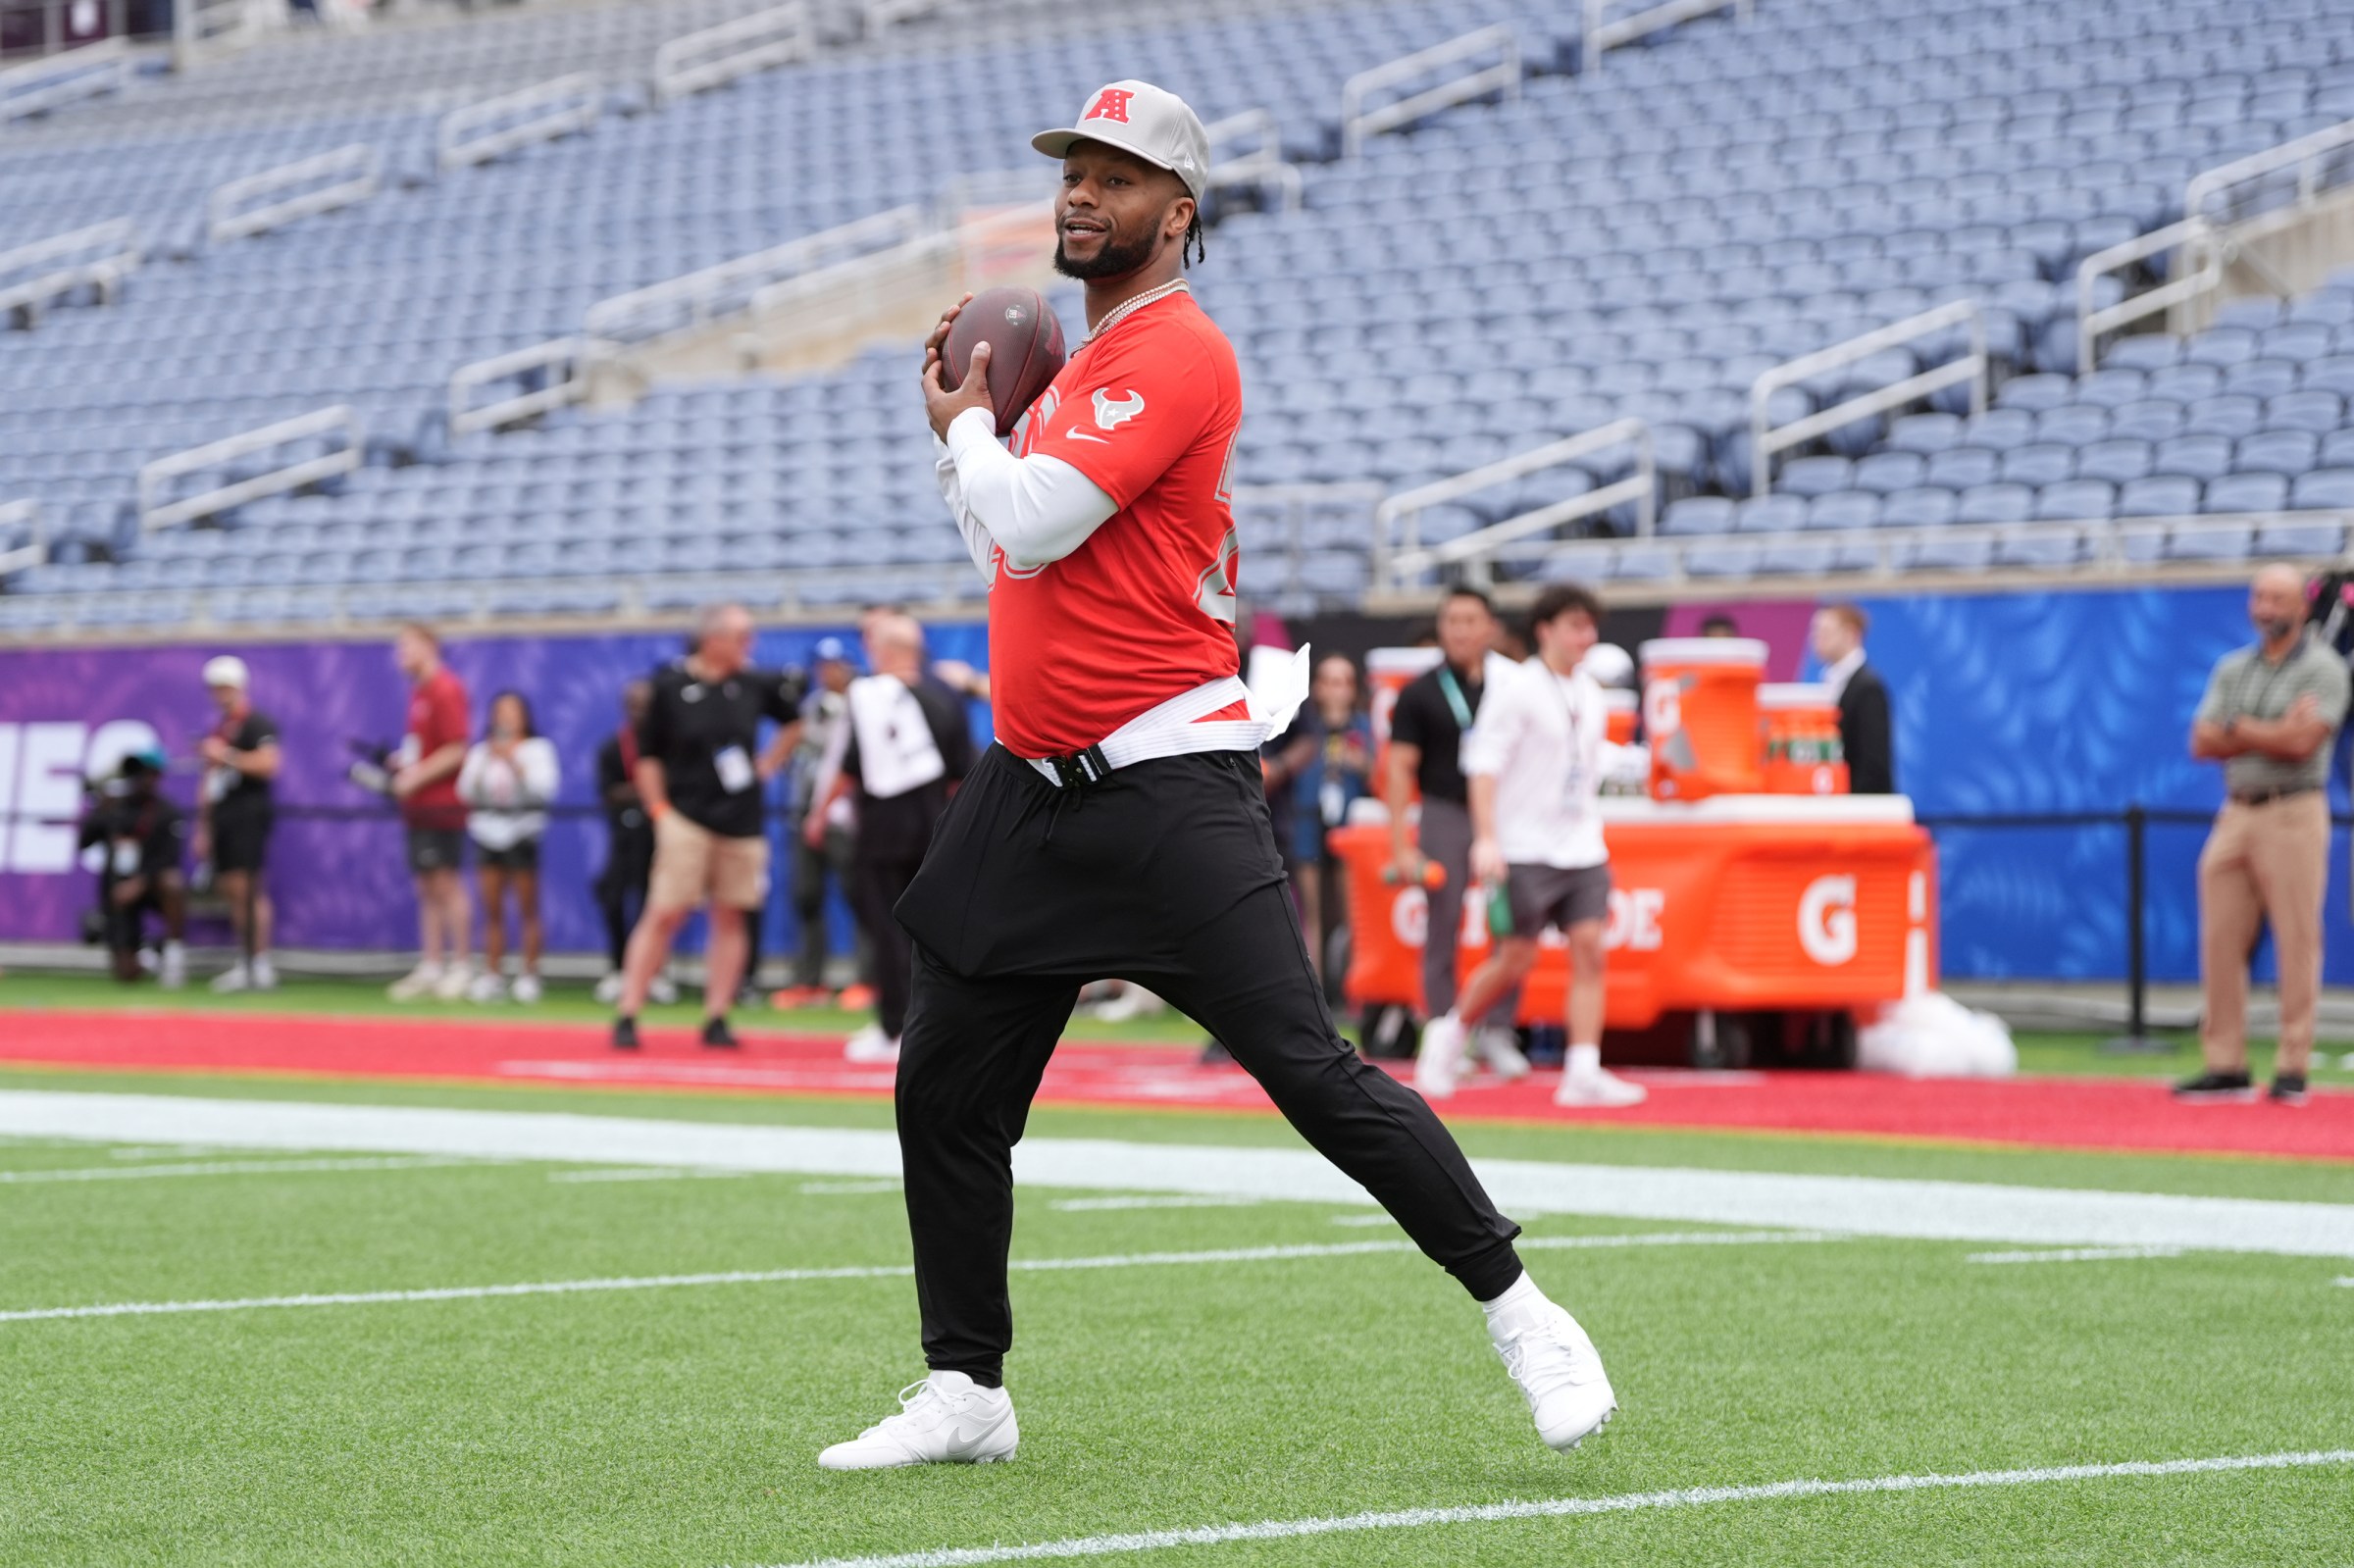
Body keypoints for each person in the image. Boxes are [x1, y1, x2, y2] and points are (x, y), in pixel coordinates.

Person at [817, 81, 1614, 1472]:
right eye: (1074, 171)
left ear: (1177, 212)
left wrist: (970, 430)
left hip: (1164, 782)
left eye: (1116, 177)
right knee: (942, 1087)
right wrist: (969, 440)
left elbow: (1033, 515)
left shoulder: (1179, 349)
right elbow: (1003, 550)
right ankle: (967, 1387)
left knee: (1311, 1071)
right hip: (1028, 786)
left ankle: (1525, 1313)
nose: (1082, 193)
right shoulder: (1081, 368)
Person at [1416, 583, 1651, 1109]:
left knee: (1590, 950)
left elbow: (1585, 762)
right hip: (1524, 845)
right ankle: (1449, 1034)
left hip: (1582, 845)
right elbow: (1483, 765)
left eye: (1590, 627)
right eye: (1575, 626)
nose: (1585, 637)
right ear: (1545, 630)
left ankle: (1583, 1070)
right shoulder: (1517, 688)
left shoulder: (1589, 692)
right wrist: (1487, 839)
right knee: (1515, 958)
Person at [2179, 564, 2351, 1106]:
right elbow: (2201, 741)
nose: (2265, 608)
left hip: (2293, 809)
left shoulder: (2324, 668)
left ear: (2302, 606)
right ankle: (2225, 1064)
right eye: (2259, 597)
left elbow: (2303, 744)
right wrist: (2269, 729)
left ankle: (2292, 1066)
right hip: (2236, 811)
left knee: (2297, 938)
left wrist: (2237, 727)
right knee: (2220, 938)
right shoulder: (2233, 667)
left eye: (2277, 599)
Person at [612, 603, 803, 1050]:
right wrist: (659, 810)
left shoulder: (753, 683)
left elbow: (795, 723)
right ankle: (629, 1010)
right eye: (741, 637)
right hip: (685, 816)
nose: (749, 645)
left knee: (732, 914)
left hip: (741, 820)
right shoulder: (670, 685)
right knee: (665, 911)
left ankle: (717, 1014)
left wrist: (769, 764)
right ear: (712, 640)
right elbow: (648, 755)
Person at [808, 612, 974, 1063]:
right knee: (933, 933)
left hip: (881, 831)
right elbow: (961, 771)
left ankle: (895, 1026)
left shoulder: (868, 695)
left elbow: (849, 768)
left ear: (881, 650)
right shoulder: (945, 695)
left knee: (886, 929)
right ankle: (937, 1025)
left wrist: (818, 815)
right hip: (935, 830)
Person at [1385, 586, 1526, 1077]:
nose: (1461, 630)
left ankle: (1499, 1031)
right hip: (1444, 812)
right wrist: (1401, 843)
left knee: (1511, 926)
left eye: (1471, 620)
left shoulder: (1513, 686)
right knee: (1442, 926)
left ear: (1491, 628)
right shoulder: (1419, 692)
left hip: (1504, 814)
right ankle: (1445, 1033)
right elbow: (1399, 769)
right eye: (1452, 620)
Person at [1261, 651, 1373, 984]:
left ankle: (1355, 989)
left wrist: (1362, 763)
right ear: (1317, 687)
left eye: (1345, 682)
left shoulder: (1363, 726)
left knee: (1354, 912)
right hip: (1308, 820)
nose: (1337, 690)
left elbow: (1381, 774)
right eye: (1330, 682)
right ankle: (1315, 989)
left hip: (1350, 825)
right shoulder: (1304, 727)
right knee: (1312, 913)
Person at [385, 625, 474, 1001]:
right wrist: (404, 764)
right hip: (418, 806)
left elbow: (457, 748)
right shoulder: (419, 692)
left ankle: (462, 965)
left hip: (442, 803)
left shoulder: (446, 688)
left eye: (406, 645)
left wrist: (416, 776)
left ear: (429, 646)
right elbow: (427, 747)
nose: (400, 654)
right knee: (426, 886)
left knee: (447, 883)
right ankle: (432, 964)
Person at [775, 638, 863, 1009]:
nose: (825, 672)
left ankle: (869, 980)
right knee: (806, 897)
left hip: (846, 818)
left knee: (861, 899)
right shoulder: (812, 706)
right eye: (821, 665)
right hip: (806, 812)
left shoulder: (864, 703)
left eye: (833, 664)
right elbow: (799, 753)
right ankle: (810, 981)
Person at [458, 691, 560, 1004]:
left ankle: (529, 974)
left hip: (522, 831)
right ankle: (493, 973)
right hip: (488, 831)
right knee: (492, 909)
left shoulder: (538, 749)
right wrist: (488, 760)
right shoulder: (482, 751)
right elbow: (465, 791)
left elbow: (544, 790)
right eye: (500, 711)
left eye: (512, 711)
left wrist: (513, 762)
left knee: (528, 907)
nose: (506, 717)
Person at [193, 654, 281, 993]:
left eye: (225, 687)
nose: (220, 694)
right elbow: (209, 781)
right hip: (223, 816)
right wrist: (203, 826)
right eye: (215, 688)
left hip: (248, 814)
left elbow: (270, 764)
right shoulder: (220, 728)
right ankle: (245, 961)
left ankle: (260, 963)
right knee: (232, 889)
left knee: (250, 888)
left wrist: (227, 756)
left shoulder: (257, 723)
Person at [592, 681, 676, 1007]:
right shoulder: (612, 747)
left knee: (656, 904)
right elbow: (608, 792)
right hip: (623, 837)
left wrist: (646, 791)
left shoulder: (667, 744)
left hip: (659, 836)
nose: (639, 712)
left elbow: (673, 787)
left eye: (645, 705)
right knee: (612, 897)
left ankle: (656, 972)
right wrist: (643, 789)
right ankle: (619, 968)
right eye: (633, 705)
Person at [77, 747, 187, 986]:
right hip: (118, 893)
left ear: (157, 777)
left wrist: (140, 882)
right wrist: (97, 809)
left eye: (148, 773)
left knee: (172, 882)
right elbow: (83, 843)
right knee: (126, 974)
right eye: (137, 774)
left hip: (151, 886)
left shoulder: (166, 812)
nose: (142, 780)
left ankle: (172, 953)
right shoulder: (114, 809)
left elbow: (170, 857)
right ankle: (148, 953)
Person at [1811, 602, 1893, 794]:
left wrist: (1853, 805)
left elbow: (1873, 763)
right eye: (1815, 632)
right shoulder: (1830, 682)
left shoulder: (1868, 689)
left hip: (1862, 804)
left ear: (1850, 634)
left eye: (1825, 632)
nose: (1816, 639)